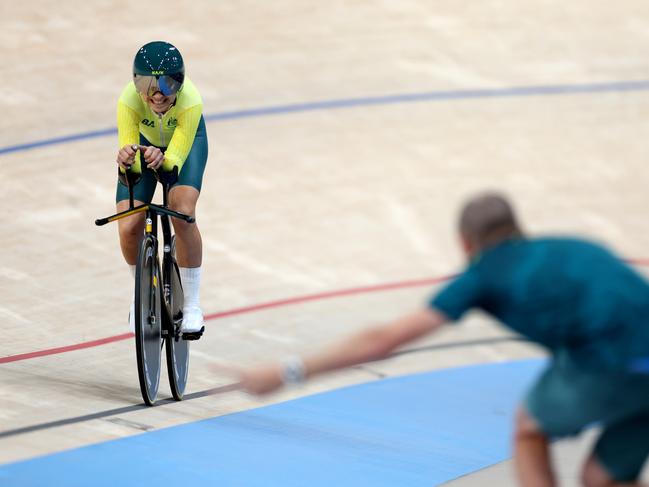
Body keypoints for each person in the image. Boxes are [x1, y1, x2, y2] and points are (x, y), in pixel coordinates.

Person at [234, 192, 649, 486]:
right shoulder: (574, 246)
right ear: (519, 228)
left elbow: (384, 340)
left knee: (528, 427)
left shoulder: (483, 274)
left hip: (611, 359)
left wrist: (288, 371)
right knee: (604, 478)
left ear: (466, 244)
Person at [115, 41, 207, 336]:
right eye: (147, 83)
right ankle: (139, 293)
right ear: (135, 83)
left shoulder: (191, 101)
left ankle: (192, 304)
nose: (156, 94)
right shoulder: (129, 101)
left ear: (179, 83)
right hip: (146, 145)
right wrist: (126, 163)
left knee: (182, 211)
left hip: (185, 146)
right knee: (129, 224)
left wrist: (164, 161)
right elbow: (131, 172)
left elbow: (173, 164)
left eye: (166, 84)